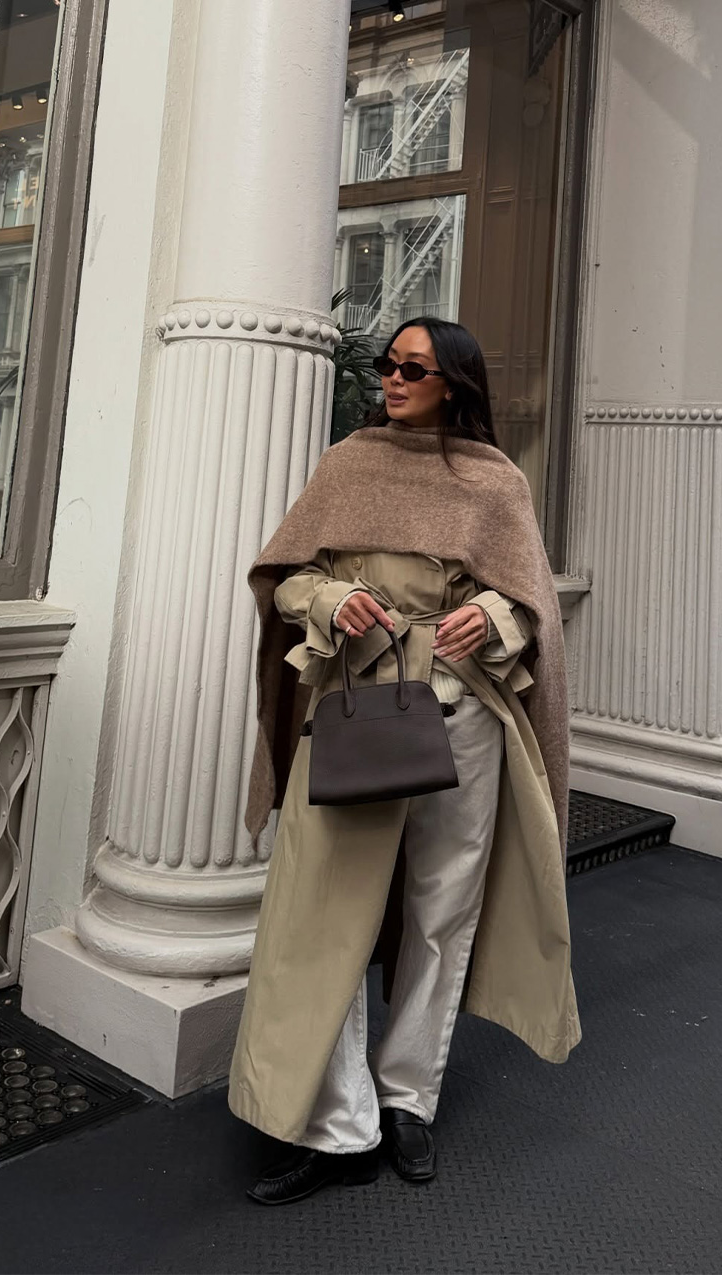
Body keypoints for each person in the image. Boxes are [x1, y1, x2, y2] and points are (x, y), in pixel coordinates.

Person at [229, 317, 581, 1206]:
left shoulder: (497, 483)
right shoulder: (348, 462)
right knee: (326, 910)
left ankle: (405, 1097)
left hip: (462, 715)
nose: (390, 377)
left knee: (441, 910)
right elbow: (285, 576)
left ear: (453, 383)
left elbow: (532, 605)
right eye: (388, 363)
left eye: (411, 367)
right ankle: (333, 1120)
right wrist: (335, 595)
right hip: (356, 709)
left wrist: (495, 619)